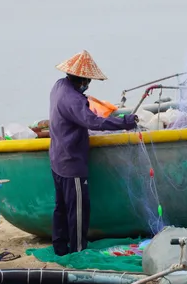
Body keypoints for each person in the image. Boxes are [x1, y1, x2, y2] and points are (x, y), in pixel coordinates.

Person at [49, 50, 138, 256]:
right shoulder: (74, 99)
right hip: (72, 163)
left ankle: (60, 247)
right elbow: (94, 122)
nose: (88, 83)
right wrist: (124, 123)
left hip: (56, 158)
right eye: (88, 80)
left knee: (60, 207)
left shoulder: (58, 87)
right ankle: (78, 251)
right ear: (82, 79)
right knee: (79, 210)